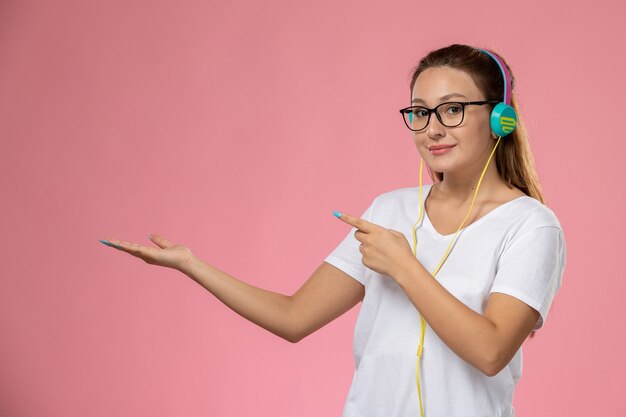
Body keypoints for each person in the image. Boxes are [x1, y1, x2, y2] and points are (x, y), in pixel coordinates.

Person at [100, 44, 566, 417]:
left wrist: (404, 266)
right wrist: (190, 264)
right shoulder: (389, 210)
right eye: (420, 112)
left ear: (500, 117)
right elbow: (293, 317)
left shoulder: (530, 224)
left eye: (452, 109)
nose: (432, 129)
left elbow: (490, 351)